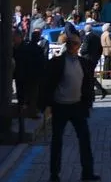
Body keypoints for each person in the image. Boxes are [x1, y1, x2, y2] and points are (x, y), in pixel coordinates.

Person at [41, 32, 100, 182]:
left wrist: (88, 104)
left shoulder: (83, 63)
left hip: (77, 107)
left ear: (79, 46)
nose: (72, 46)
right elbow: (47, 84)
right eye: (69, 43)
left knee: (85, 140)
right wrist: (46, 105)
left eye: (75, 43)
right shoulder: (57, 62)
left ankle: (87, 172)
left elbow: (87, 85)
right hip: (60, 106)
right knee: (57, 141)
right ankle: (54, 174)